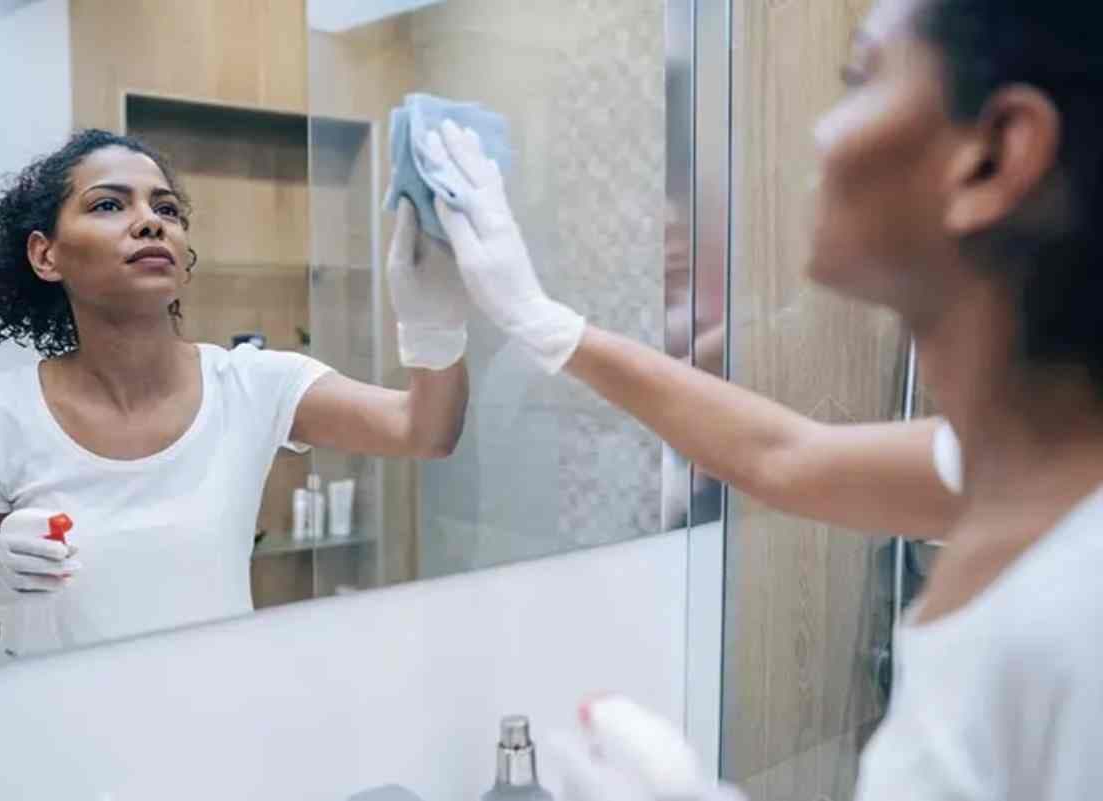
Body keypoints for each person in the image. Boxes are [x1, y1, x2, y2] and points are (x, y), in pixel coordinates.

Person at [428, 0, 1103, 796]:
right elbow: (783, 455)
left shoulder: (1078, 607)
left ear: (995, 156)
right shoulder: (1017, 467)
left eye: (861, 77)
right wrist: (546, 325)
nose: (818, 133)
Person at [0, 129, 470, 664]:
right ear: (46, 256)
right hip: (59, 732)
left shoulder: (254, 384)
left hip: (223, 722)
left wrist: (435, 322)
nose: (149, 222)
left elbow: (424, 430)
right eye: (109, 204)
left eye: (166, 209)